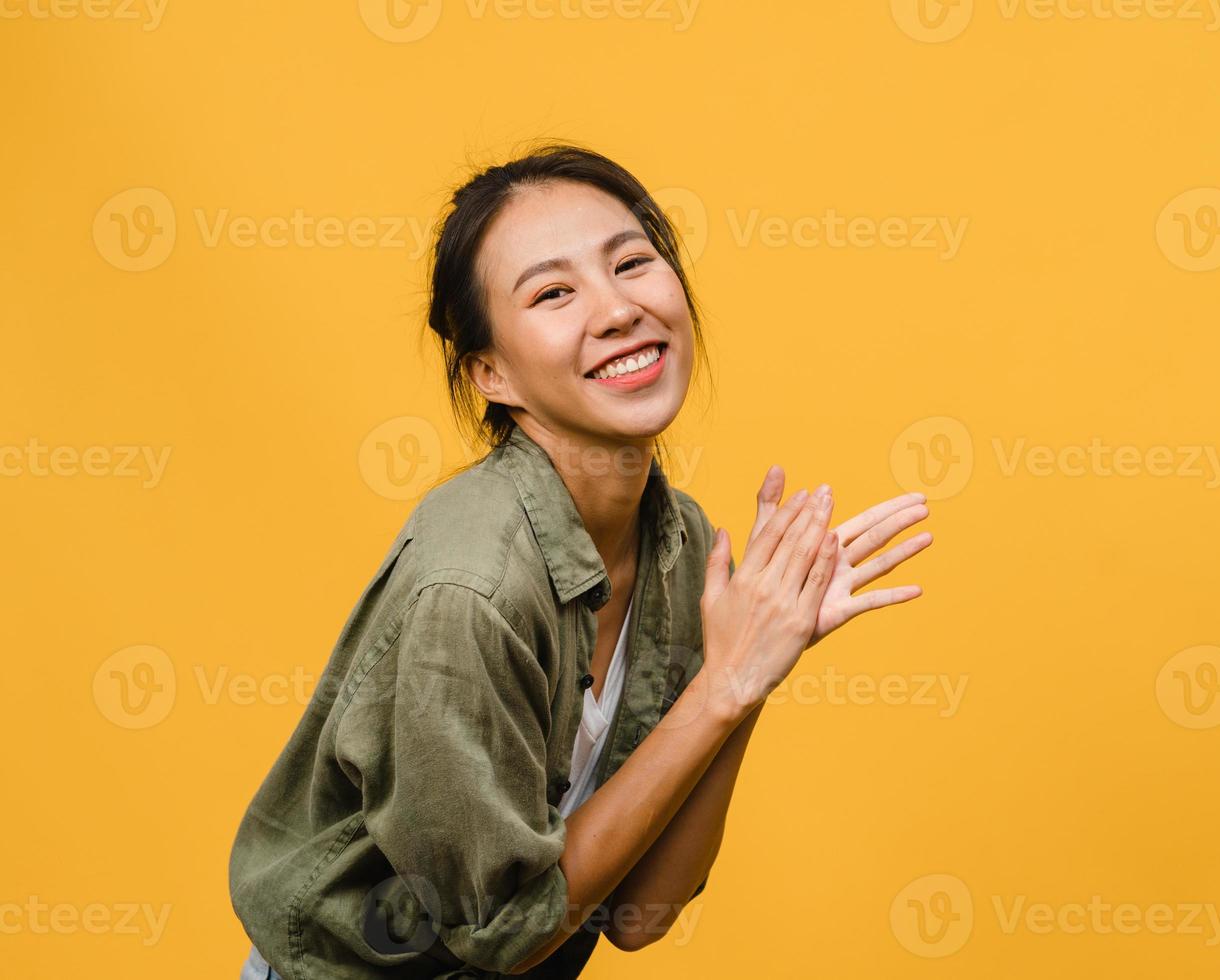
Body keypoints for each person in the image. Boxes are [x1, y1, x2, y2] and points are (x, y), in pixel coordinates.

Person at [228, 142, 933, 979]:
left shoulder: (680, 546)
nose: (617, 310)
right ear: (491, 372)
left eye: (633, 263)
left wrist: (753, 671)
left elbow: (639, 918)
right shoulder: (473, 591)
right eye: (554, 293)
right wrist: (722, 682)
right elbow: (502, 933)